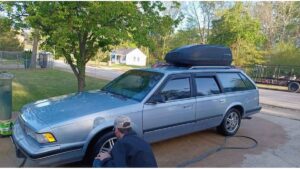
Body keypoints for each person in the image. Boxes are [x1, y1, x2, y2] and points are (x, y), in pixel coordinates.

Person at [93, 115, 158, 167]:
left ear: (116, 130)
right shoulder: (142, 141)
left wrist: (105, 159)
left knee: (97, 161)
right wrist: (113, 152)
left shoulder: (121, 143)